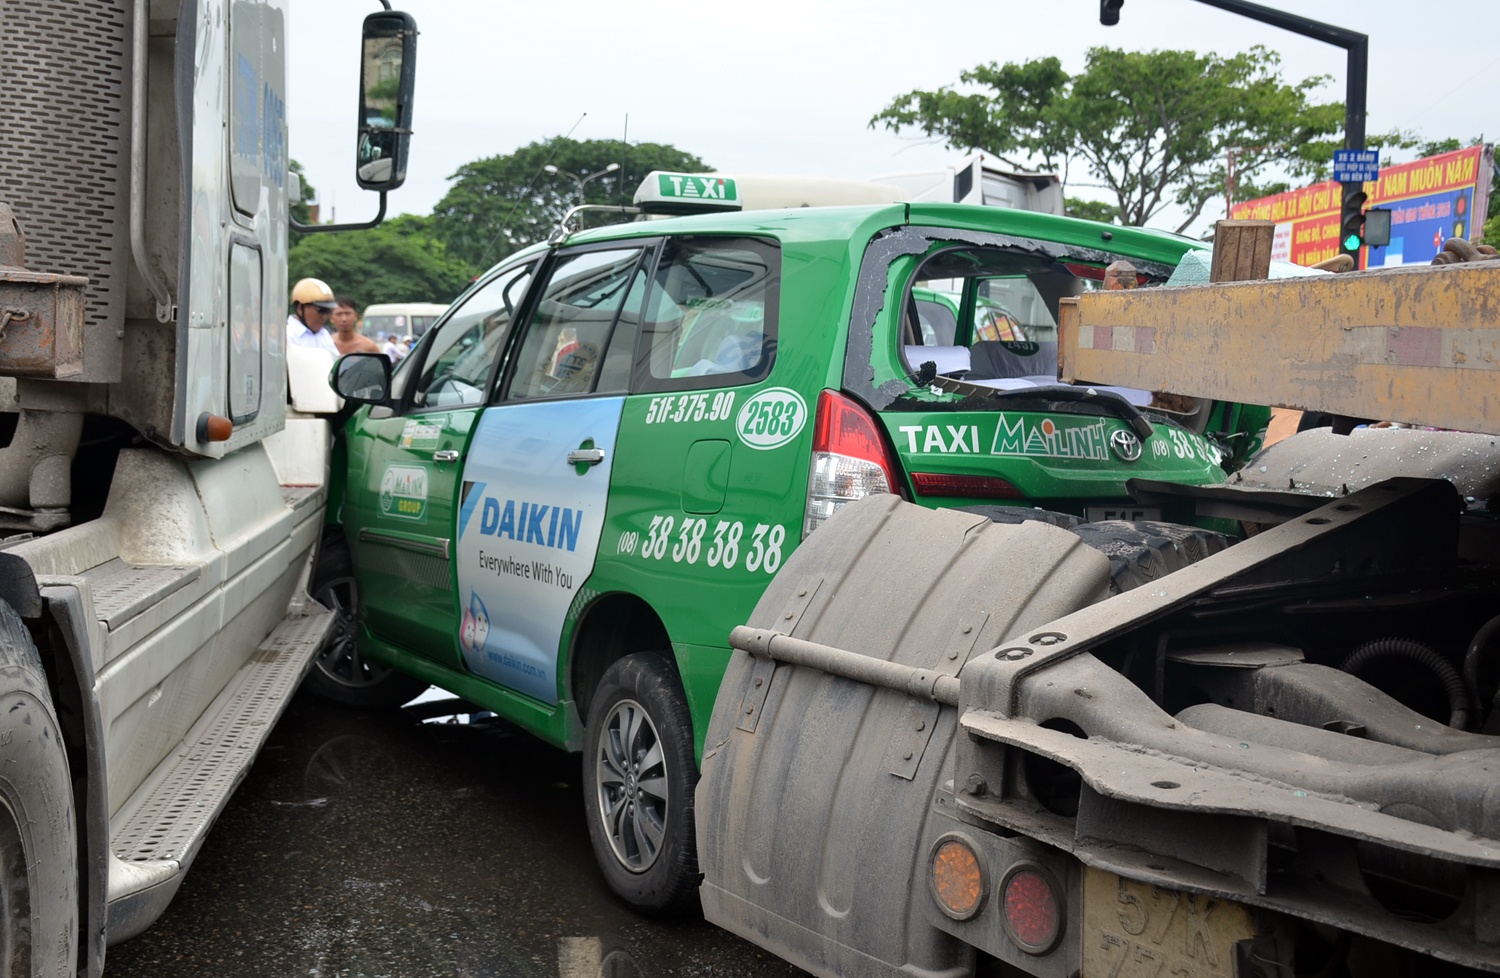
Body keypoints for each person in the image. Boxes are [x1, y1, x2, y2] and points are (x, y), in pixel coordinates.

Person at [287, 278, 339, 355]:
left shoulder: (324, 334)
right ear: (300, 308)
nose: (324, 316)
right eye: (321, 310)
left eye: (328, 311)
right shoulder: (287, 336)